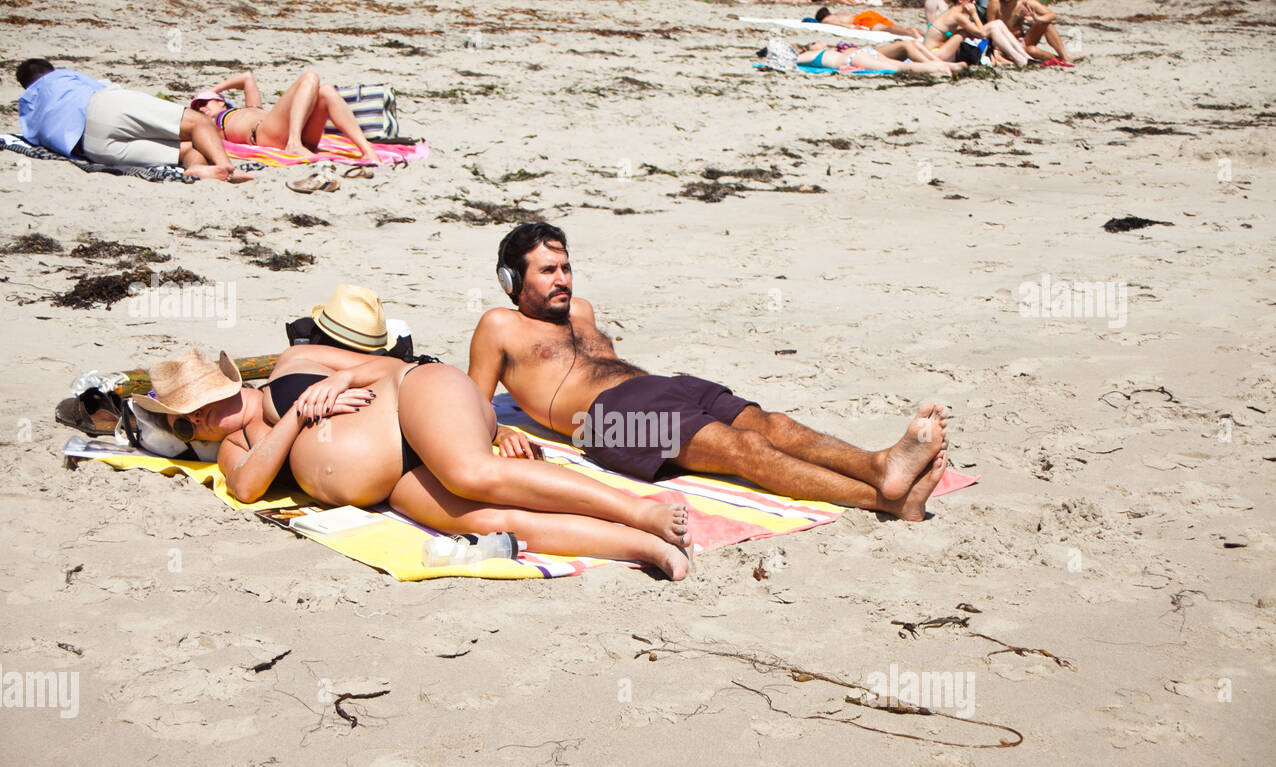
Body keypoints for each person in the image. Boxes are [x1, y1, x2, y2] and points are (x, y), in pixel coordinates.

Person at [138, 286, 693, 579]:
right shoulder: (241, 446)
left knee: (470, 473)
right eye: (189, 422)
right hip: (393, 479)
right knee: (491, 519)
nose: (203, 419)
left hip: (412, 398)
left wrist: (342, 379)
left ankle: (639, 509)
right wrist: (296, 418)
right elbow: (248, 489)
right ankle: (643, 547)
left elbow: (387, 367)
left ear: (225, 381)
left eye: (203, 403)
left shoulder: (296, 358)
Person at [468, 224, 951, 522]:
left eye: (566, 268)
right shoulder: (500, 326)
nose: (563, 280)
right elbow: (468, 403)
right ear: (512, 281)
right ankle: (882, 501)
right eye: (547, 271)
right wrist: (502, 429)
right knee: (748, 449)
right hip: (607, 419)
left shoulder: (583, 310)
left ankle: (881, 466)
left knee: (775, 424)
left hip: (661, 387)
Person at [14, 58, 251, 183]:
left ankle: (197, 168)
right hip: (100, 107)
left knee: (186, 149)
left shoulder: (28, 110)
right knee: (198, 123)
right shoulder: (62, 76)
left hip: (89, 148)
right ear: (51, 70)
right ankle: (228, 168)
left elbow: (35, 139)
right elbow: (105, 88)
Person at [191, 70, 380, 163]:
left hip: (285, 131)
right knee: (310, 77)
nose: (201, 108)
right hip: (264, 134)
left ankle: (367, 151)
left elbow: (246, 77)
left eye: (204, 103)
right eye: (198, 107)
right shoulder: (211, 125)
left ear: (222, 101)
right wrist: (206, 100)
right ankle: (294, 144)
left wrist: (210, 91)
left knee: (327, 91)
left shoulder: (250, 108)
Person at [923, 0, 1032, 67]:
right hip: (935, 54)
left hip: (941, 50)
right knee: (992, 28)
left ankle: (1023, 55)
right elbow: (982, 33)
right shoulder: (957, 16)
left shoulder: (957, 13)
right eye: (971, 1)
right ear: (961, 1)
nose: (974, 3)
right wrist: (974, 14)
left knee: (997, 23)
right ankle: (1018, 58)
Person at [796, 38, 964, 74]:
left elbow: (792, 61)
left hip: (854, 57)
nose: (817, 42)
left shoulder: (813, 54)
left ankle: (941, 68)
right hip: (864, 53)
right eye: (813, 42)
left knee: (901, 67)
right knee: (896, 64)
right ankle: (953, 66)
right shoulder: (814, 52)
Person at [988, 0, 1073, 65]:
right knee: (1032, 50)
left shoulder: (1024, 3)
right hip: (1004, 45)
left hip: (1022, 40)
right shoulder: (995, 3)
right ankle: (1055, 59)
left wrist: (1038, 18)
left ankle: (1064, 56)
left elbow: (1052, 15)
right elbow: (991, 28)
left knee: (1045, 24)